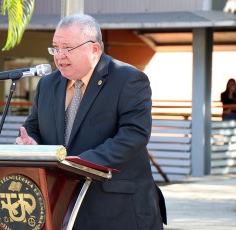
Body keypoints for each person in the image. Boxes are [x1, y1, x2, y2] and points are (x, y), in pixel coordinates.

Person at [15, 13, 166, 229]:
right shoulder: (47, 84)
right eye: (55, 48)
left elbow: (134, 135)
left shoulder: (129, 79)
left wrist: (75, 165)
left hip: (117, 208)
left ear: (94, 49)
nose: (60, 56)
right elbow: (33, 126)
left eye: (67, 48)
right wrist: (31, 144)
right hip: (61, 206)